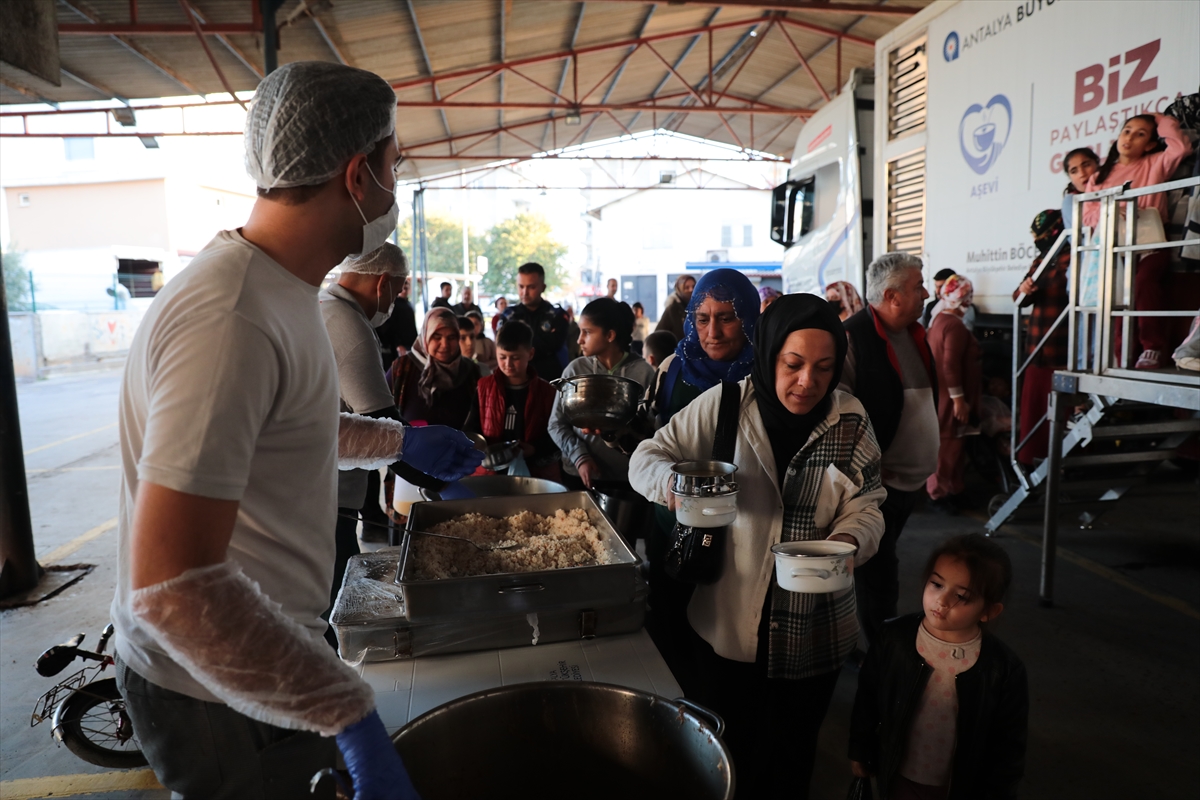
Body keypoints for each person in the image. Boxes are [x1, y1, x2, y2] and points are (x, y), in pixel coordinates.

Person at [110, 61, 481, 800]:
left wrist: (396, 445)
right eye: (393, 163)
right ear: (356, 175)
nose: (395, 185)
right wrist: (348, 710)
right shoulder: (230, 317)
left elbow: (290, 425)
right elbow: (172, 588)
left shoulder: (282, 288)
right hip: (216, 687)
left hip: (265, 657)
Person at [630, 294, 886, 799]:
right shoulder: (728, 404)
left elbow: (869, 501)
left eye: (823, 367)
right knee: (727, 753)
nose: (807, 381)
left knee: (791, 758)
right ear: (770, 356)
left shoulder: (850, 419)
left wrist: (851, 539)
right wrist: (676, 487)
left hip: (816, 629)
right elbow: (647, 455)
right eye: (792, 365)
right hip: (729, 626)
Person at [850, 534, 1028, 799]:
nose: (942, 601)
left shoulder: (1003, 668)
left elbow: (1008, 744)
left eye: (961, 596)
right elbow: (867, 698)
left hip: (959, 786)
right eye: (936, 584)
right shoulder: (893, 638)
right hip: (900, 774)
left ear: (988, 611)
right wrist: (860, 749)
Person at [841, 252, 938, 651]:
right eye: (918, 287)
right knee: (877, 569)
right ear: (893, 296)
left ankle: (874, 644)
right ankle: (880, 652)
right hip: (877, 483)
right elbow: (841, 409)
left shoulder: (914, 333)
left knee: (881, 563)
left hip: (908, 482)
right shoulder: (852, 337)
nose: (926, 293)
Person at [319, 244, 409, 625]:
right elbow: (386, 425)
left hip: (318, 494)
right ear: (383, 284)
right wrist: (444, 485)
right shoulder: (346, 323)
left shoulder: (322, 305)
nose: (395, 299)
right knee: (328, 616)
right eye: (399, 288)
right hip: (325, 502)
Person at [1081, 113, 1192, 369]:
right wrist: (1109, 210)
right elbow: (1087, 214)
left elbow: (1181, 146)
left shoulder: (1155, 162)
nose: (1129, 137)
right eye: (1127, 130)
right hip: (1116, 249)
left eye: (1140, 134)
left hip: (1149, 242)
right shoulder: (1098, 177)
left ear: (1151, 144)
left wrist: (1157, 117)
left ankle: (1152, 348)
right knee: (1119, 300)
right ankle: (1122, 359)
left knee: (1143, 285)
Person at [549, 297, 655, 489]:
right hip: (580, 475)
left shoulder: (643, 373)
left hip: (630, 478)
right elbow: (556, 424)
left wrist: (621, 433)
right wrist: (579, 457)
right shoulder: (575, 371)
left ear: (610, 335)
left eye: (587, 332)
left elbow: (654, 431)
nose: (579, 339)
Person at [1013, 210, 1071, 467]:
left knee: (1062, 417)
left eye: (1045, 235)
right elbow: (1018, 298)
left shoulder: (1074, 256)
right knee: (1034, 413)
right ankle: (1031, 465)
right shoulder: (1040, 261)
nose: (1039, 240)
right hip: (1038, 351)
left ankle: (1060, 467)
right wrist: (1025, 289)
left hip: (1065, 350)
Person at [469, 319, 561, 480]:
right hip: (491, 473)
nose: (508, 364)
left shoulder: (547, 392)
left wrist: (534, 449)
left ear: (530, 354)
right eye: (502, 357)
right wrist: (479, 446)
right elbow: (471, 428)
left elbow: (556, 434)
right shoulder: (484, 387)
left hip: (534, 473)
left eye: (515, 358)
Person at [925, 275, 981, 513]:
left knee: (952, 447)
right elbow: (950, 365)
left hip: (941, 396)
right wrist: (959, 400)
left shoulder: (939, 320)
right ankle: (939, 494)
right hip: (951, 399)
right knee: (949, 448)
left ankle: (953, 491)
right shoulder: (955, 326)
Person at [391, 306, 481, 428]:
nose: (444, 345)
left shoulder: (470, 371)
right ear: (425, 337)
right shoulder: (402, 368)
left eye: (451, 337)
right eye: (437, 337)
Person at [497, 262, 570, 380]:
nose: (525, 292)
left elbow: (553, 345)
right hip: (514, 381)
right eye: (521, 286)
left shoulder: (557, 315)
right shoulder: (508, 315)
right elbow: (504, 347)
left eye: (531, 287)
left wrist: (520, 345)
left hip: (550, 381)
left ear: (543, 287)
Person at [375, 274, 418, 366]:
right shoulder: (393, 305)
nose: (404, 289)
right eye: (403, 287)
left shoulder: (408, 305)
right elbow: (391, 326)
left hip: (409, 344)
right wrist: (398, 344)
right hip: (397, 346)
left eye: (407, 287)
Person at [655, 274, 696, 340]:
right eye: (686, 287)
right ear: (680, 289)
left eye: (693, 286)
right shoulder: (673, 308)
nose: (691, 290)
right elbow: (658, 335)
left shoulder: (699, 306)